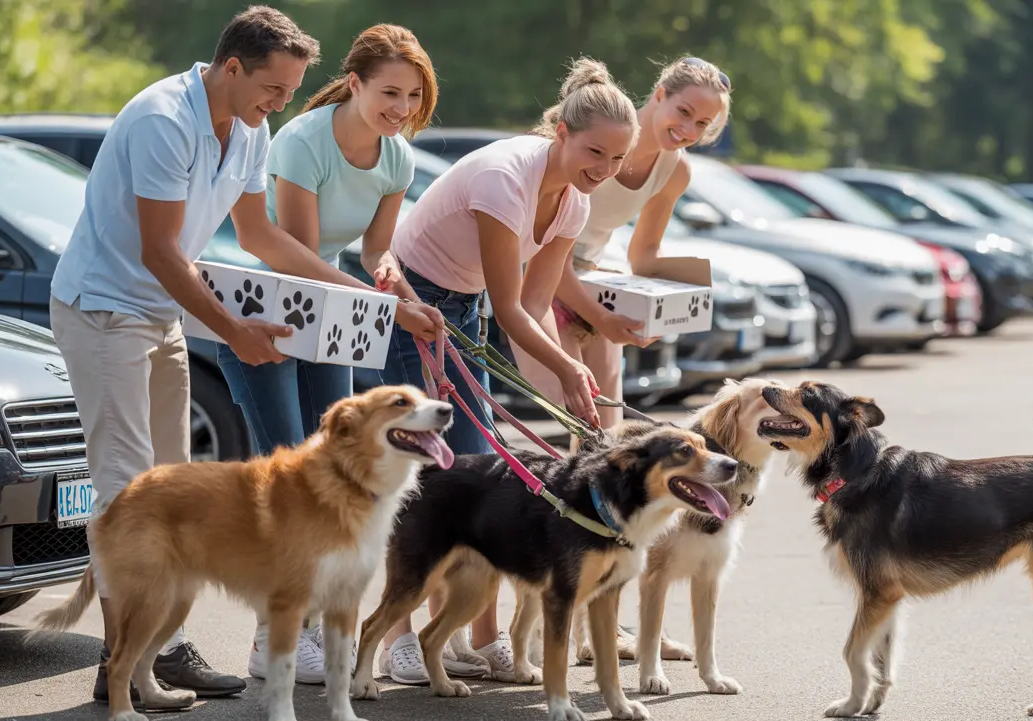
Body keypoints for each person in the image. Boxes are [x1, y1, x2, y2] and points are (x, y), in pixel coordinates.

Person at [47, 6, 364, 705]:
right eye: (274, 90)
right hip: (103, 313)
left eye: (287, 93)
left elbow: (260, 237)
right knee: (132, 494)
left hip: (158, 314)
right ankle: (120, 670)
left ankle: (160, 649)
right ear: (230, 68)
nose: (282, 105)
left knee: (178, 488)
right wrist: (237, 332)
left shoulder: (249, 126)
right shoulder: (164, 119)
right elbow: (162, 251)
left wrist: (362, 295)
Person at [373, 57, 640, 684]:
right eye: (594, 153)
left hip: (459, 310)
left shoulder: (571, 203)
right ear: (562, 134)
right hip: (412, 305)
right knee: (420, 474)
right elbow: (512, 308)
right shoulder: (505, 177)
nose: (603, 172)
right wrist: (570, 373)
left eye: (616, 162)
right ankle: (396, 637)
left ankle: (473, 638)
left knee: (470, 470)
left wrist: (572, 375)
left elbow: (542, 306)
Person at [214, 24, 447, 686]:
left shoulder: (396, 155)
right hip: (268, 308)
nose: (401, 109)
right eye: (390, 92)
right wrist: (386, 306)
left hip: (338, 312)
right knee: (288, 468)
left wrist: (400, 291)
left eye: (413, 96)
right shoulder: (303, 142)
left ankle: (309, 626)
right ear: (354, 83)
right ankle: (274, 637)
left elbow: (376, 253)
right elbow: (301, 259)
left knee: (346, 463)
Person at [509, 56, 732, 430]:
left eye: (702, 124)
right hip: (537, 283)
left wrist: (673, 302)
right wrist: (603, 318)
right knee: (577, 419)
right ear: (660, 94)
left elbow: (643, 255)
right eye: (684, 111)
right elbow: (547, 254)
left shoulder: (675, 169)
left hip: (591, 286)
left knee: (609, 432)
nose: (688, 129)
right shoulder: (603, 139)